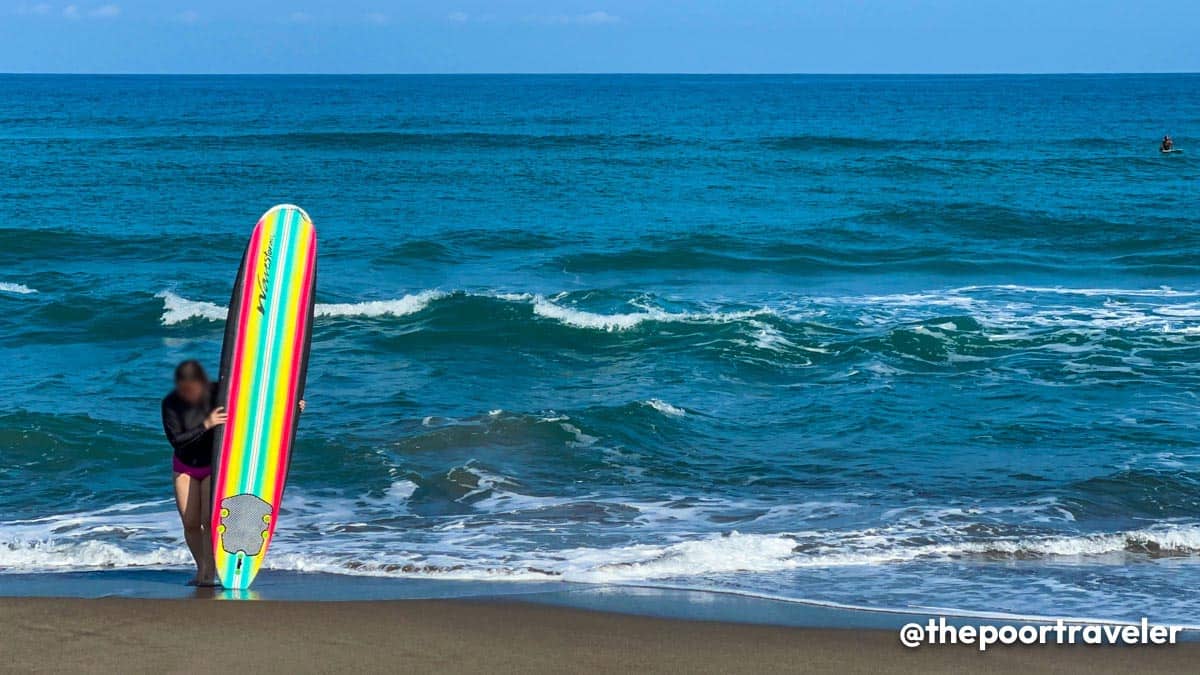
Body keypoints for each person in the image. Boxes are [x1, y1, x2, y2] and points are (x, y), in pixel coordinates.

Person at [161, 360, 223, 586]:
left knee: (209, 520)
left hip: (211, 464)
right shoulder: (170, 403)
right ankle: (202, 568)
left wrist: (293, 404)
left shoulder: (217, 392)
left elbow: (253, 398)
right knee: (190, 522)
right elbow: (176, 441)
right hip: (184, 464)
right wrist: (206, 424)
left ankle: (211, 573)